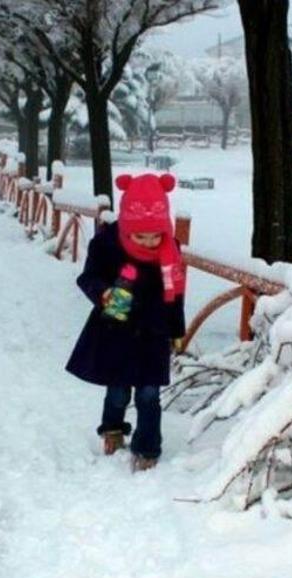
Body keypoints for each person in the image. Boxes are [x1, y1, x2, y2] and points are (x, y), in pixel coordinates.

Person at [65, 173, 186, 472]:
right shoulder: (107, 244)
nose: (149, 243)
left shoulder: (170, 250)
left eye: (155, 236)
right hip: (117, 329)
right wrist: (104, 293)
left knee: (149, 393)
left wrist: (176, 330)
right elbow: (88, 277)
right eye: (140, 237)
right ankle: (113, 429)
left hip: (154, 331)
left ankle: (148, 448)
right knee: (118, 390)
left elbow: (176, 294)